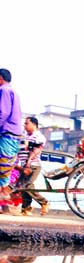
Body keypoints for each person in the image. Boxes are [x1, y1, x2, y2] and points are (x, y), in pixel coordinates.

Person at [15, 117, 50, 216]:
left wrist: (28, 164)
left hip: (33, 165)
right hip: (24, 165)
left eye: (26, 124)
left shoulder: (39, 136)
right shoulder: (26, 137)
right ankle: (26, 209)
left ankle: (44, 202)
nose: (24, 126)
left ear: (34, 124)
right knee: (24, 186)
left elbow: (36, 151)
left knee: (27, 185)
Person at [0, 68, 23, 201]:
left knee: (3, 165)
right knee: (5, 164)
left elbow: (3, 113)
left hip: (7, 132)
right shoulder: (14, 91)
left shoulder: (4, 90)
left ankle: (5, 191)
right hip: (14, 133)